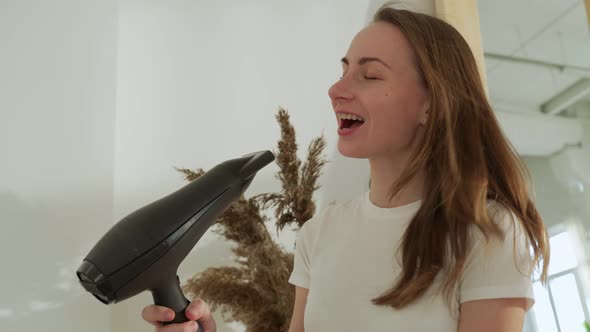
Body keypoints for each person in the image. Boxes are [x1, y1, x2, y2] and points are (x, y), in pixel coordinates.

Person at [141, 3, 550, 332]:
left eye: (369, 75)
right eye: (344, 70)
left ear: (431, 102)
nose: (337, 90)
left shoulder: (487, 233)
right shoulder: (321, 233)